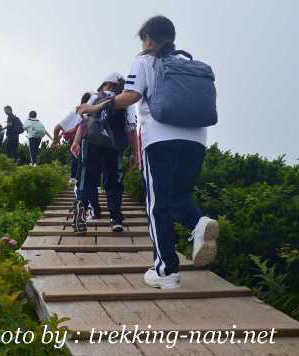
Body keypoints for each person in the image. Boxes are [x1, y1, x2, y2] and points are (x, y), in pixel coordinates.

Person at [107, 15, 219, 289]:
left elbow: (131, 96)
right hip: (196, 139)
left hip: (160, 139)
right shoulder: (190, 64)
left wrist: (102, 106)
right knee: (180, 195)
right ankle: (199, 222)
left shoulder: (144, 60)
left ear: (148, 40)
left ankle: (166, 271)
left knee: (158, 205)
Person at [72, 74, 137, 233]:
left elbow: (84, 121)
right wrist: (134, 153)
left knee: (86, 179)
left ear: (105, 84)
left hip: (91, 142)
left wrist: (76, 141)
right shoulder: (125, 100)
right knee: (113, 181)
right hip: (114, 145)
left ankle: (82, 211)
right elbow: (131, 128)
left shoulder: (94, 97)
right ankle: (115, 218)